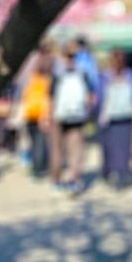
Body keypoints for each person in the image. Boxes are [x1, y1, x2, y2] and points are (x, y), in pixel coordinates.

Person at [49, 42, 96, 192]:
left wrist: (48, 114)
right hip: (77, 115)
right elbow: (90, 96)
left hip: (59, 115)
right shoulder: (82, 72)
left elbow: (50, 96)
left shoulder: (57, 73)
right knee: (75, 149)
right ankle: (74, 179)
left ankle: (56, 180)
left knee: (57, 148)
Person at [98, 49, 132, 187]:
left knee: (109, 145)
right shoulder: (131, 76)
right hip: (126, 116)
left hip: (108, 117)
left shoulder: (105, 76)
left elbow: (99, 95)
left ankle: (110, 170)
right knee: (124, 145)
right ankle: (122, 171)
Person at [19, 45, 53, 177]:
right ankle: (39, 166)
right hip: (42, 112)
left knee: (33, 140)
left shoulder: (30, 76)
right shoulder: (48, 79)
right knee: (40, 140)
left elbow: (23, 93)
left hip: (30, 110)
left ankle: (35, 164)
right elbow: (48, 97)